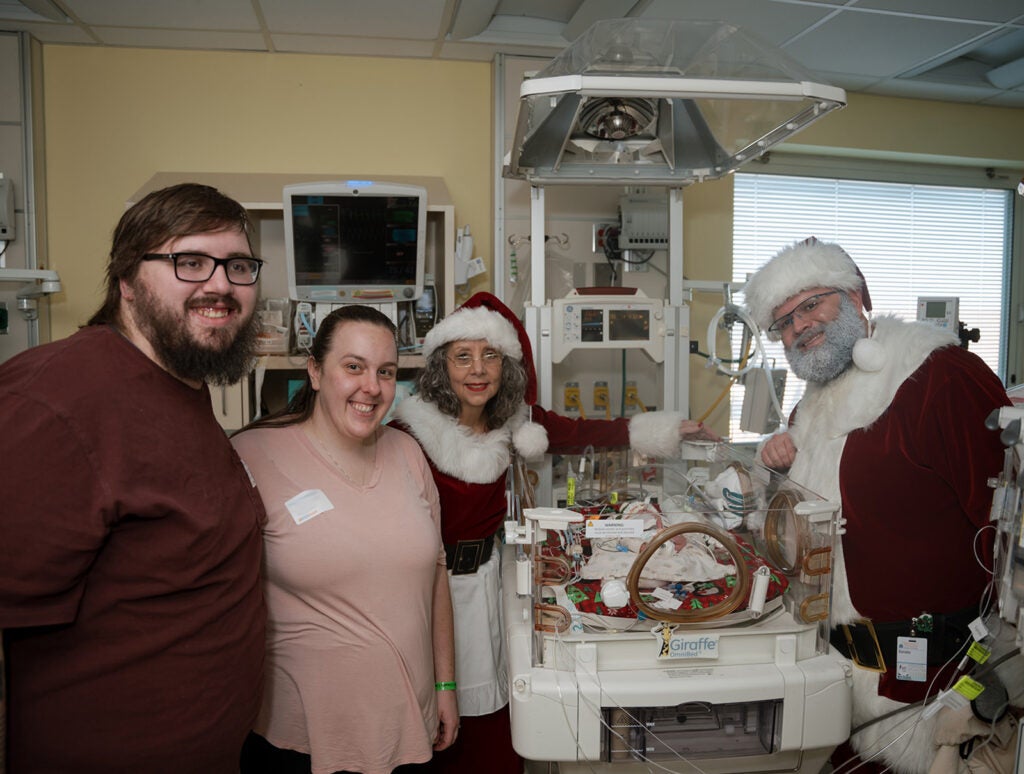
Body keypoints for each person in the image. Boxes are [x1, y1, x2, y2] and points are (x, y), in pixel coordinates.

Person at [389, 292, 717, 773]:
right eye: (463, 357)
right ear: (443, 367)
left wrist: (669, 430)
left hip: (490, 585)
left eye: (490, 356)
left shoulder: (516, 423)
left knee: (497, 703)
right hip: (427, 594)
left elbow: (586, 431)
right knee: (435, 710)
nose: (477, 370)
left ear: (507, 367)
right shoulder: (411, 434)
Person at [0, 182, 267, 772]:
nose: (220, 284)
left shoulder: (177, 384)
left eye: (238, 265)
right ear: (126, 281)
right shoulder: (57, 400)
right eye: (189, 262)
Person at [743, 237, 1013, 774]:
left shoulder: (939, 377)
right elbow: (795, 524)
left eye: (810, 304)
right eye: (783, 324)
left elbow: (1009, 534)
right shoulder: (814, 403)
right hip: (835, 674)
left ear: (857, 294)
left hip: (931, 687)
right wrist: (770, 474)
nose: (799, 328)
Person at [232, 304, 458, 774]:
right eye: (353, 367)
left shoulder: (408, 454)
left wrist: (445, 688)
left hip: (407, 728)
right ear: (315, 371)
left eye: (386, 372)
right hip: (300, 740)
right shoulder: (251, 455)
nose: (371, 388)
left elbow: (437, 577)